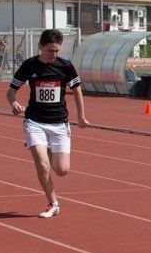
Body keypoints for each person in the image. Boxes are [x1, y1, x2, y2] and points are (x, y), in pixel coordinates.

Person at [7, 29, 89, 218]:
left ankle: (48, 148)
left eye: (57, 51)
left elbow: (77, 91)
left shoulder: (65, 66)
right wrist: (13, 103)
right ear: (41, 47)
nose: (53, 55)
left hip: (59, 122)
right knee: (43, 166)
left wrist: (81, 117)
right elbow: (11, 91)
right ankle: (53, 203)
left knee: (61, 170)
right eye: (50, 51)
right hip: (34, 121)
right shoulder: (29, 65)